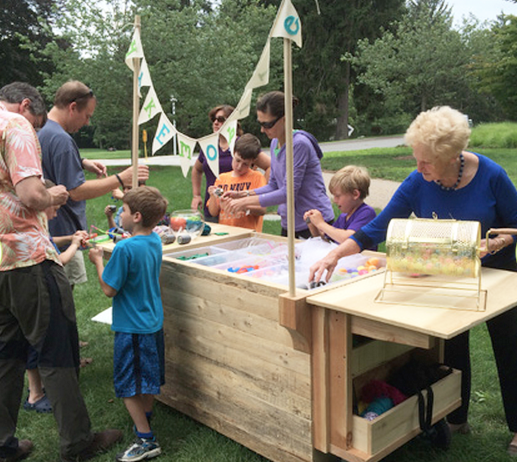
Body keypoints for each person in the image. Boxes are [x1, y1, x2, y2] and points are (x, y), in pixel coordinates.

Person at [309, 106, 517, 455]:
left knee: (510, 348)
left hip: (499, 275)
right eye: (416, 160)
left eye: (426, 163)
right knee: (452, 345)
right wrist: (333, 254)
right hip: (451, 276)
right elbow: (376, 228)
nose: (419, 169)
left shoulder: (492, 175)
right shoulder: (417, 180)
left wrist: (500, 241)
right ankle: (456, 416)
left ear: (452, 157)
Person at [0, 82, 122, 462]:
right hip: (29, 260)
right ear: (25, 107)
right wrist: (57, 196)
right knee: (57, 351)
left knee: (5, 357)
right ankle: (77, 442)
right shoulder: (15, 125)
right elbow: (33, 195)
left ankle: (2, 444)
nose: (36, 132)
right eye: (36, 124)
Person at [38, 80, 149, 289]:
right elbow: (76, 192)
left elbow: (49, 161)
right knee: (60, 299)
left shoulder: (41, 128)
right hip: (62, 227)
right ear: (72, 107)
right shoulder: (61, 139)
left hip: (46, 232)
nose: (87, 123)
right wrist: (120, 179)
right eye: (87, 116)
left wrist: (81, 162)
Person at [88, 186, 168, 462]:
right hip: (152, 322)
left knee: (128, 386)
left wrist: (98, 261)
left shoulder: (123, 250)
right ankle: (143, 421)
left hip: (132, 328)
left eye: (122, 211)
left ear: (135, 216)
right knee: (147, 379)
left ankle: (146, 441)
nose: (119, 214)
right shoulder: (155, 240)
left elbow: (109, 289)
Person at [224, 91, 334, 239]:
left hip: (313, 223)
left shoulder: (299, 145)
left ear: (284, 119)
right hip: (290, 223)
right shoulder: (275, 142)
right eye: (260, 124)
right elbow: (274, 185)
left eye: (267, 124)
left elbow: (288, 193)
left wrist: (244, 203)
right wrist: (244, 194)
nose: (262, 130)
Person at [24, 181, 91, 414]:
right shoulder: (35, 231)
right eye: (55, 207)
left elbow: (53, 242)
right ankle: (35, 395)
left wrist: (69, 237)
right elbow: (58, 260)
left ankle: (38, 391)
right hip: (37, 294)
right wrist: (74, 244)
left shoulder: (37, 227)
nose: (56, 213)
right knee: (35, 346)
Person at [190, 104, 271, 222]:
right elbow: (197, 169)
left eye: (221, 119)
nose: (216, 122)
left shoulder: (242, 145)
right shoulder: (209, 146)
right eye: (214, 119)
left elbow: (270, 166)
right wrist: (196, 195)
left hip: (240, 210)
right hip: (214, 206)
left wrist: (257, 193)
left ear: (232, 122)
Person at [304, 165, 377, 246]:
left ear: (355, 194)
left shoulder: (366, 213)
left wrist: (321, 224)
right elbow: (326, 244)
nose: (334, 200)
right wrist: (312, 225)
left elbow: (348, 239)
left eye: (338, 196)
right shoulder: (343, 217)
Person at [207, 134, 267, 231]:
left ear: (253, 161)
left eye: (245, 164)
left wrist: (241, 205)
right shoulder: (222, 178)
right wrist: (212, 196)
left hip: (248, 236)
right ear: (233, 153)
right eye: (237, 160)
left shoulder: (257, 177)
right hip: (226, 234)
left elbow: (262, 209)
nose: (239, 167)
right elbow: (213, 212)